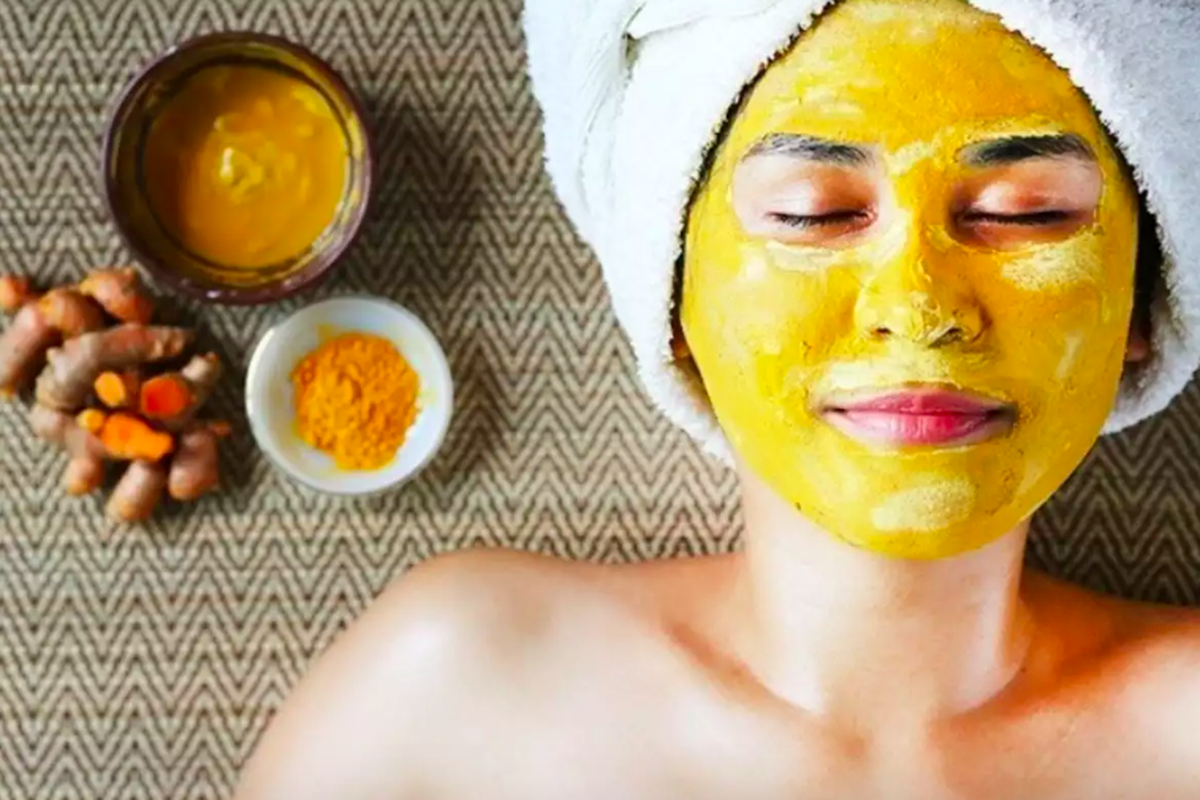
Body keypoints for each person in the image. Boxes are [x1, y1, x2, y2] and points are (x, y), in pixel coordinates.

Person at [233, 1, 1200, 798]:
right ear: (672, 297)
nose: (917, 307)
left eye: (1024, 214)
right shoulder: (455, 686)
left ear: (1140, 308)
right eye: (815, 214)